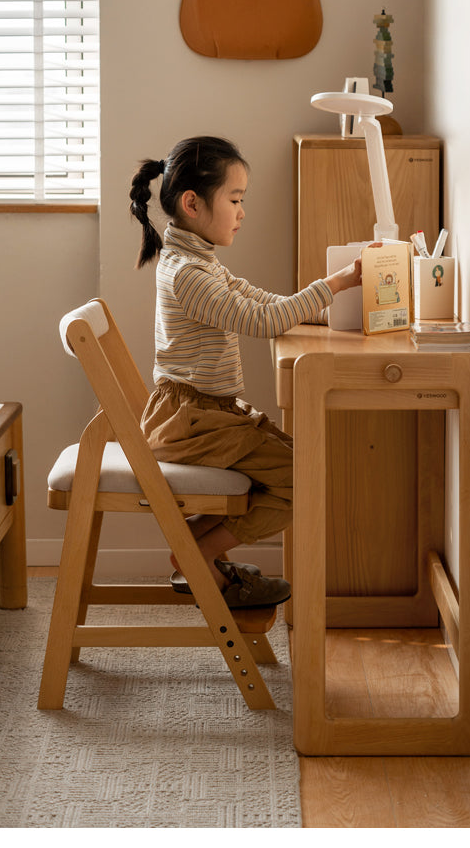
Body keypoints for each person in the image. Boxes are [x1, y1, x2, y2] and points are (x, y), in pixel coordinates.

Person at [129, 135, 368, 609]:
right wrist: (335, 283)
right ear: (192, 203)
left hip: (205, 414)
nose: (242, 212)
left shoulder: (200, 263)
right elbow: (260, 321)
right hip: (194, 421)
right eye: (235, 200)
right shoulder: (187, 274)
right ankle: (200, 554)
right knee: (305, 476)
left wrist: (330, 313)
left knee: (301, 464)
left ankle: (194, 548)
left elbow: (264, 303)